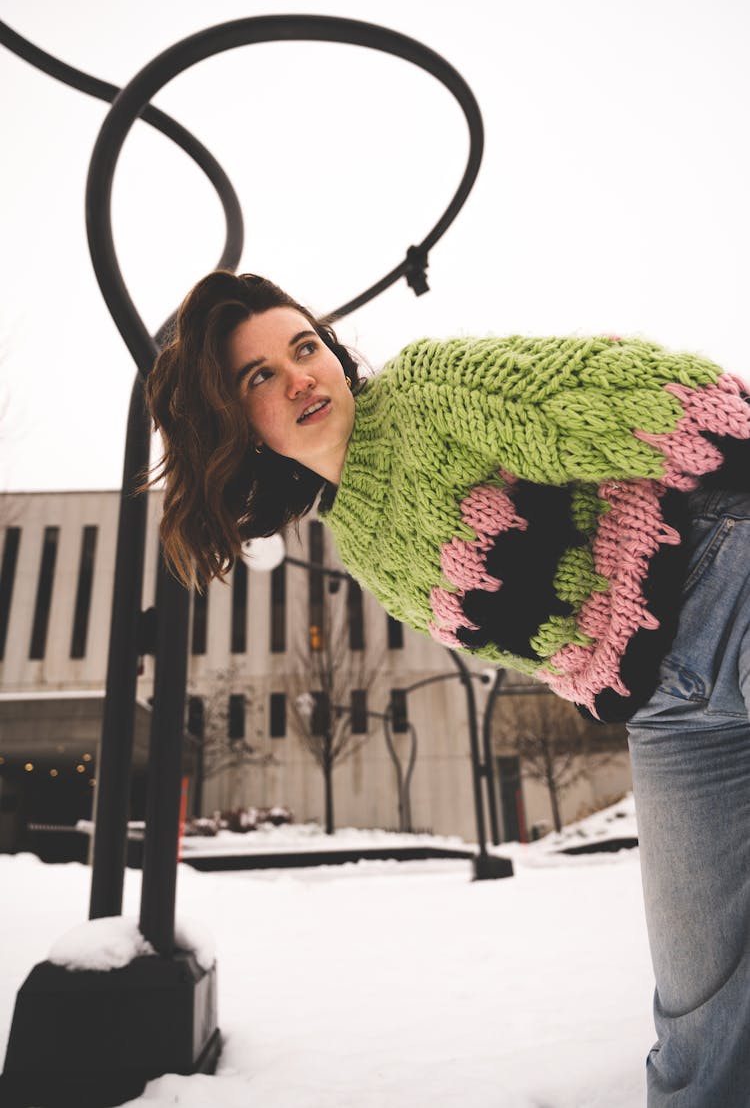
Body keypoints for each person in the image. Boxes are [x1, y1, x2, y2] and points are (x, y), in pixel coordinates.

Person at [145, 268, 750, 1106]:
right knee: (699, 1012)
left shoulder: (429, 388)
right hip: (671, 709)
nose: (299, 377)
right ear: (240, 422)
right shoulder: (355, 532)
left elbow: (621, 392)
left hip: (725, 578)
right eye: (261, 376)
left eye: (305, 347)